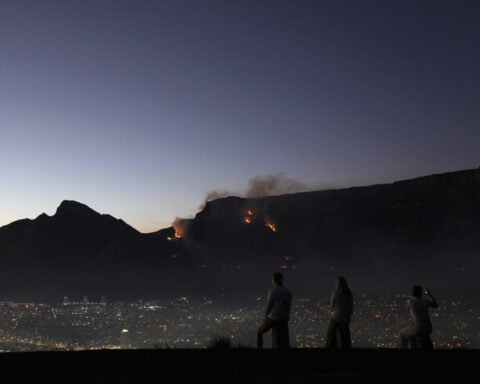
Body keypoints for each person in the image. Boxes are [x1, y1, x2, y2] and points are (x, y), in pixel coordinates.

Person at [256, 272, 293, 349]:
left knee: (259, 332)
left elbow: (268, 308)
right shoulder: (288, 292)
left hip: (273, 318)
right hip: (284, 319)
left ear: (273, 280)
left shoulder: (273, 291)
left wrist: (265, 318)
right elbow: (288, 307)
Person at [399, 285, 438, 349]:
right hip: (428, 327)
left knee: (401, 334)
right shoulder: (425, 301)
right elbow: (435, 305)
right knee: (412, 333)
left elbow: (407, 308)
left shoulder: (410, 301)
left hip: (418, 327)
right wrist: (429, 294)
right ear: (421, 293)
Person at [325, 276, 354, 349]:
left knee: (330, 334)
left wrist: (330, 307)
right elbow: (350, 307)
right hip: (346, 317)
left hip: (336, 316)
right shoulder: (349, 294)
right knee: (345, 335)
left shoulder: (336, 292)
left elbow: (332, 305)